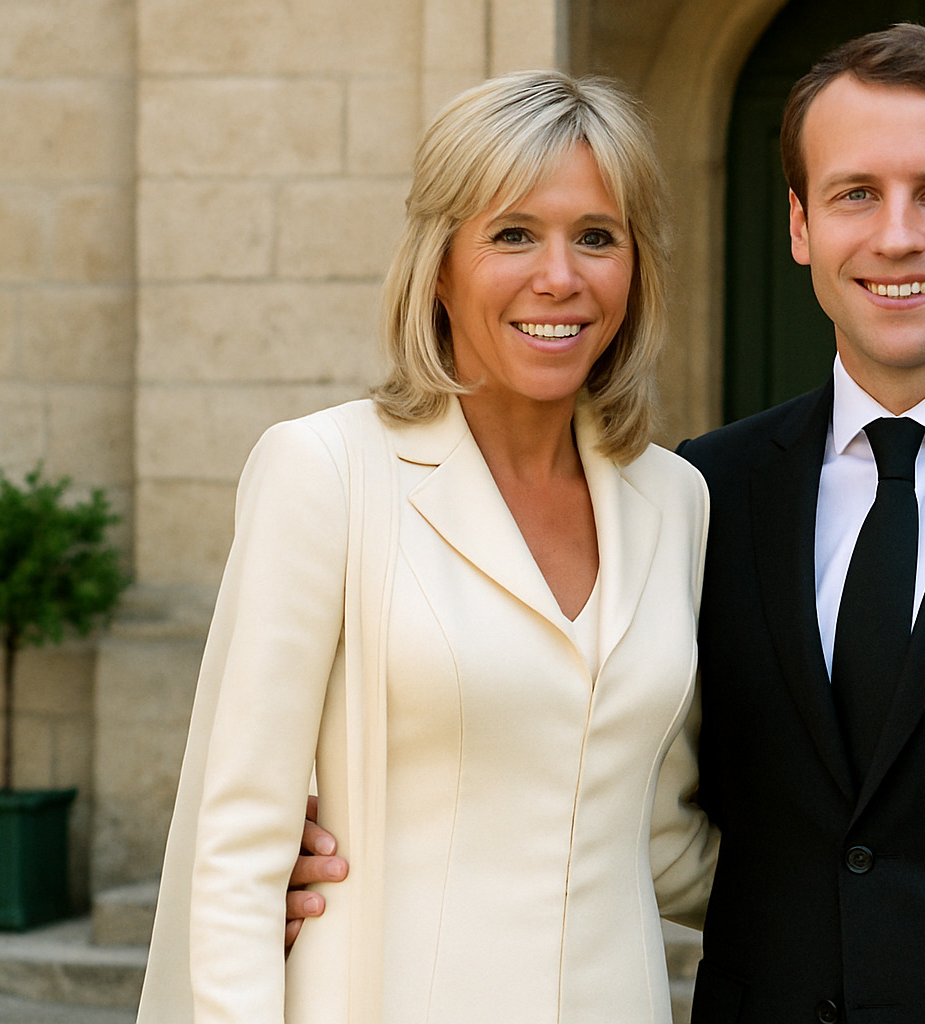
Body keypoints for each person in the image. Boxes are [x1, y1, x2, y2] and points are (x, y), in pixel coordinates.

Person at [292, 23, 925, 1023]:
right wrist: (353, 849)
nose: (897, 235)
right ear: (801, 224)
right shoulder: (706, 492)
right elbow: (614, 775)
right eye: (856, 193)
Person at [137, 70, 716, 1024]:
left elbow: (659, 838)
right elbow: (237, 848)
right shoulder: (324, 472)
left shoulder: (675, 499)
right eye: (514, 233)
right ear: (439, 264)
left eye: (598, 237)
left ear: (637, 268)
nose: (560, 277)